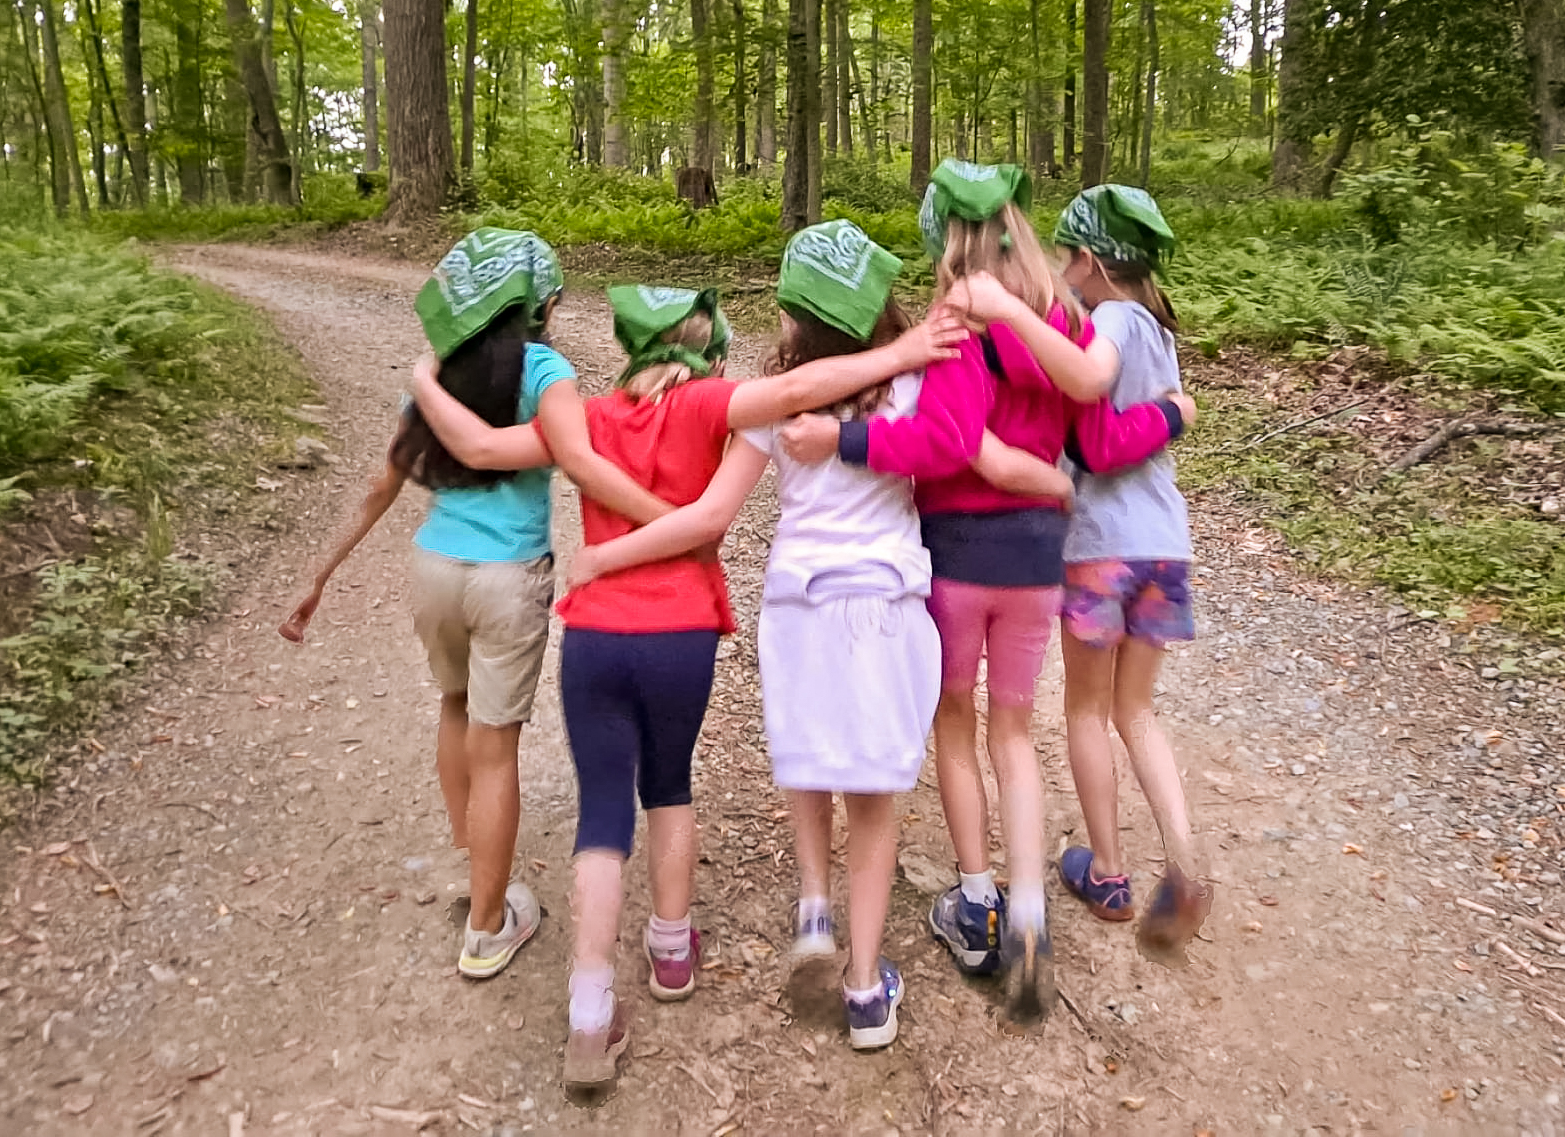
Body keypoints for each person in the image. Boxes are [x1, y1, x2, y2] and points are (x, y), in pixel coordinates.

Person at [407, 281, 965, 1092]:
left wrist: (424, 380)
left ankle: (590, 1007)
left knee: (603, 809)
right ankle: (673, 952)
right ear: (709, 345)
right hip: (682, 633)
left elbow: (486, 450)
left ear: (630, 345)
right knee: (669, 787)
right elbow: (803, 394)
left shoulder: (589, 417)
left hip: (595, 633)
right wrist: (907, 352)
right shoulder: (717, 404)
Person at [781, 162, 1190, 1023]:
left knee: (955, 725)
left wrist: (848, 440)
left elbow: (944, 439)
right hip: (1040, 563)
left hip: (959, 554)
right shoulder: (1067, 322)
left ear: (943, 243)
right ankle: (1033, 913)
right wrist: (1155, 423)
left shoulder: (961, 321)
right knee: (1015, 731)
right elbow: (1096, 428)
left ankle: (977, 898)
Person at [280, 228, 672, 983]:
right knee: (496, 748)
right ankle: (489, 926)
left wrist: (319, 576)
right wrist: (669, 521)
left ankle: (476, 861)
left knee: (453, 709)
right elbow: (583, 463)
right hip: (506, 578)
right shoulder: (545, 370)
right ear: (542, 306)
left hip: (434, 569)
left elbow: (380, 484)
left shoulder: (440, 376)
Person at [953, 185, 1211, 964]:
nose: (1060, 272)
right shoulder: (1162, 332)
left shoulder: (1108, 323)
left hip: (1099, 545)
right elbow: (1143, 415)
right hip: (1165, 545)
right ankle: (1186, 858)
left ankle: (1107, 872)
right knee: (1138, 712)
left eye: (1066, 259)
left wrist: (1007, 310)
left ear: (1091, 261)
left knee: (1087, 715)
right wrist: (1175, 414)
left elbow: (1091, 396)